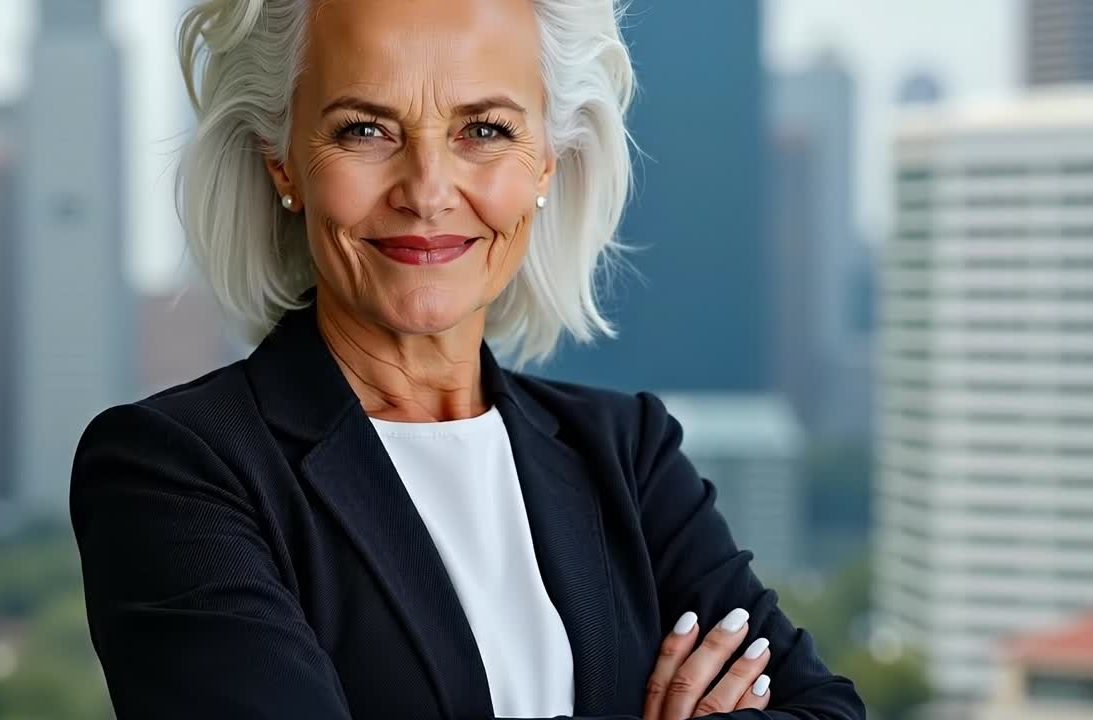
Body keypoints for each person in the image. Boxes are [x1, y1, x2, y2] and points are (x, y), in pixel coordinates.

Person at [70, 1, 866, 718]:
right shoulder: (174, 471)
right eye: (365, 129)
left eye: (484, 130)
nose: (427, 189)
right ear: (282, 160)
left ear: (547, 159)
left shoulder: (626, 453)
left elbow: (822, 709)